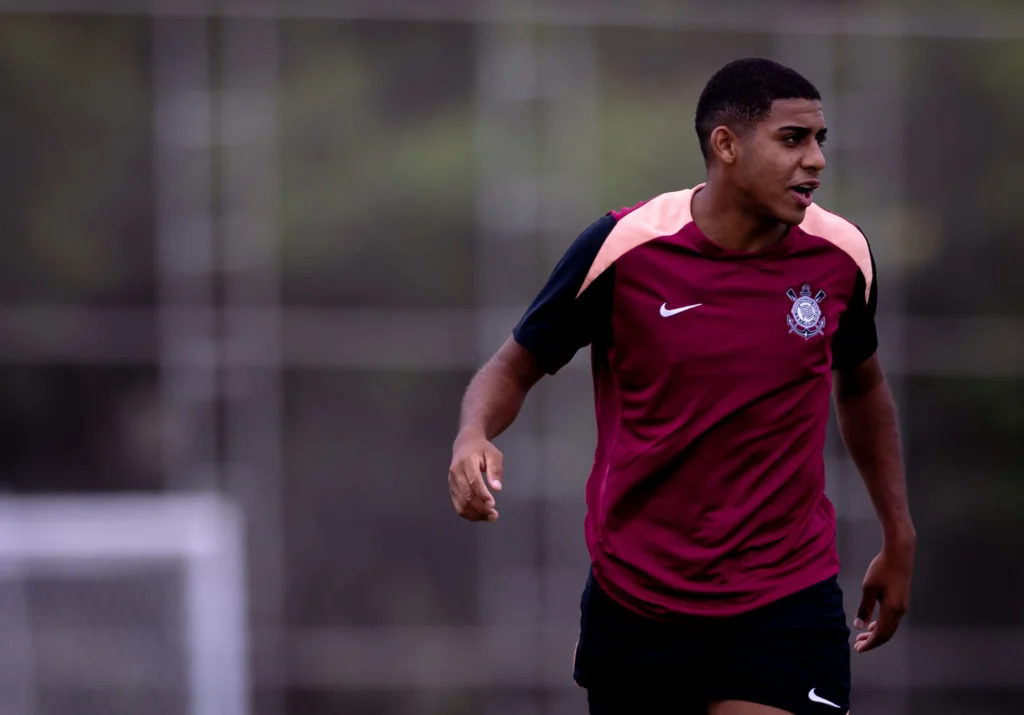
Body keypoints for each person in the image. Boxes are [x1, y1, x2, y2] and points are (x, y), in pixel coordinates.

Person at [447, 57, 915, 715]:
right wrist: (473, 434)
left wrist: (898, 533)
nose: (815, 160)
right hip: (639, 601)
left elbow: (862, 387)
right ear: (726, 145)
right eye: (792, 139)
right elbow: (512, 366)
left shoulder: (842, 256)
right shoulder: (623, 247)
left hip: (786, 597)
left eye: (819, 140)